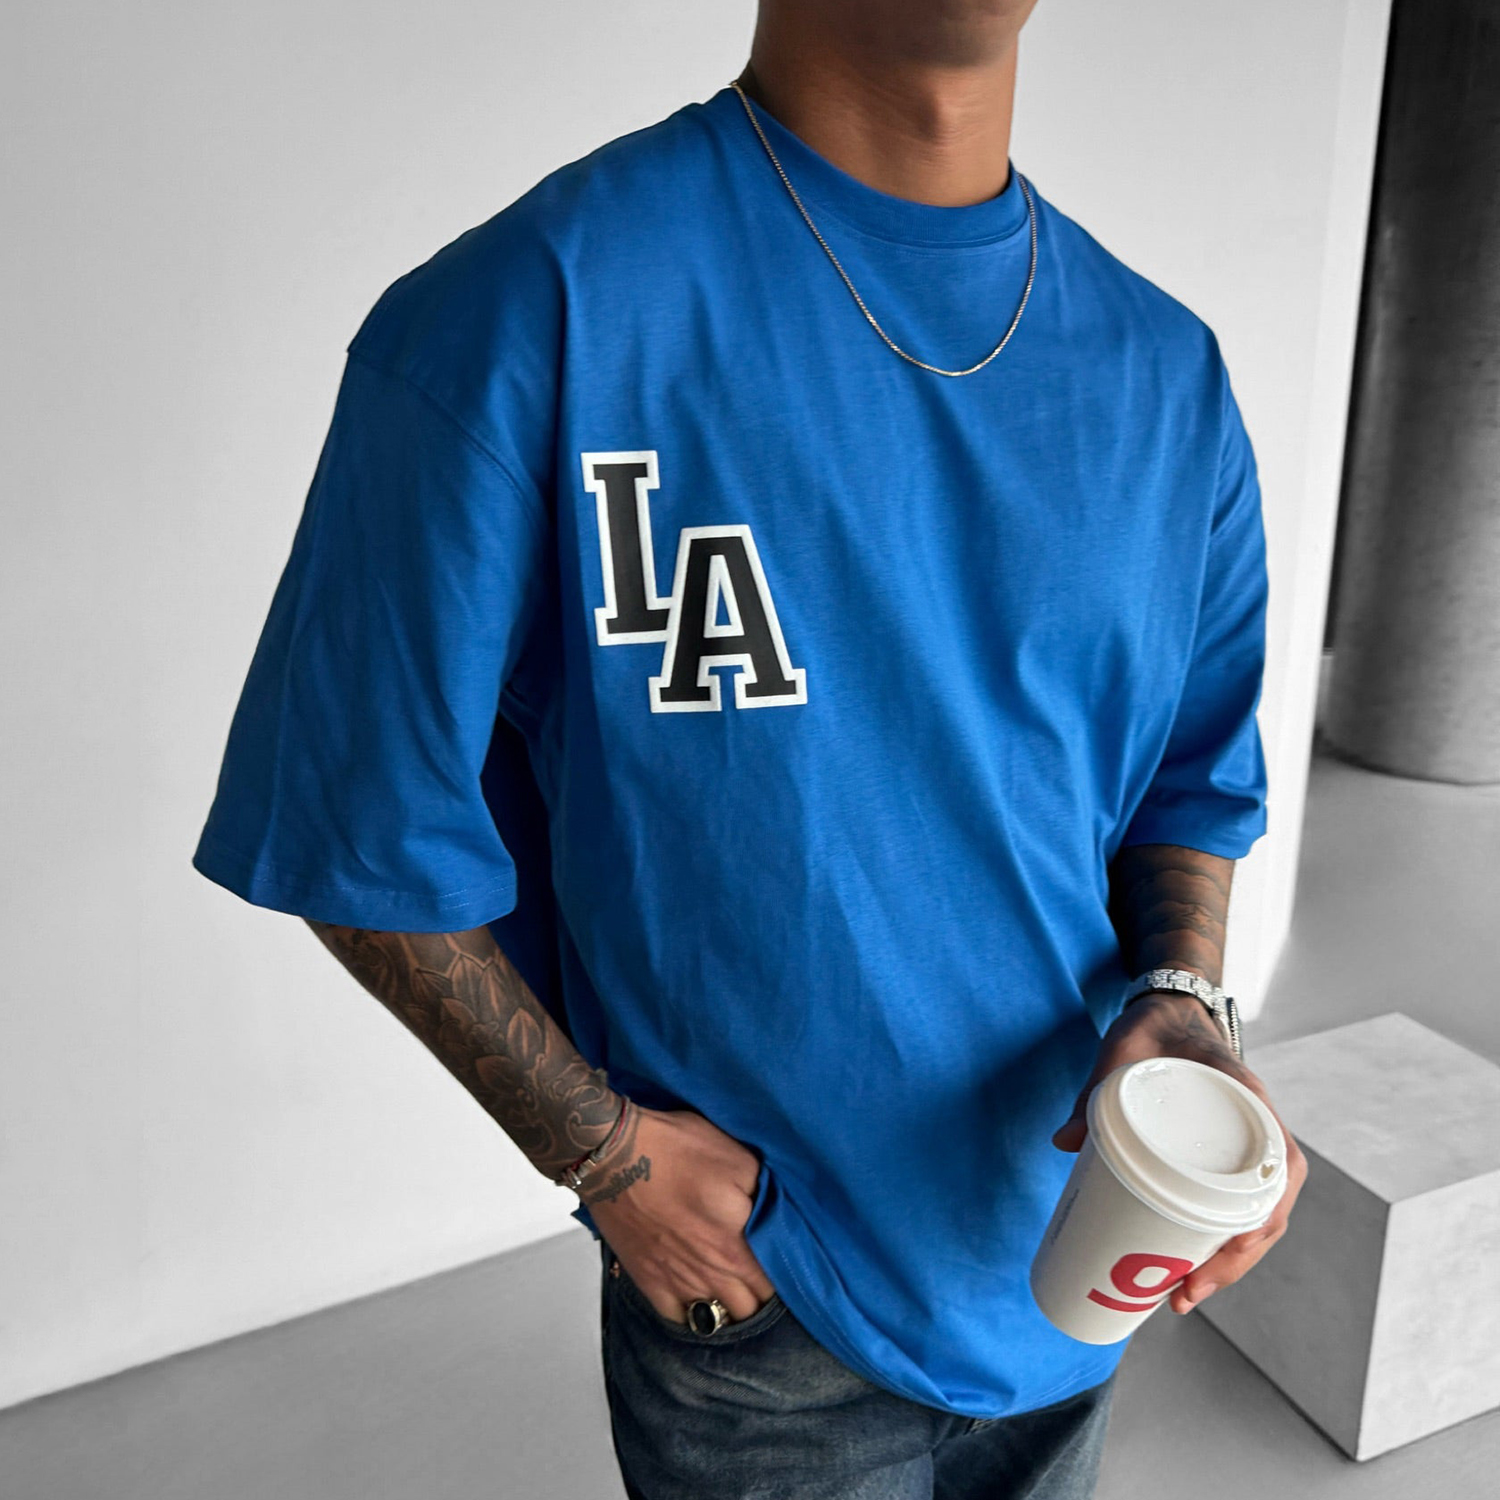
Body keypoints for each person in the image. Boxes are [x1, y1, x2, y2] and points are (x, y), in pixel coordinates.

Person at [192, 2, 1308, 1495]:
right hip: (772, 1310)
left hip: (1073, 1244)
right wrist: (605, 1157)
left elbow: (1189, 779)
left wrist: (1183, 1001)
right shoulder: (529, 310)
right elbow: (353, 827)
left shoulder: (1165, 372)